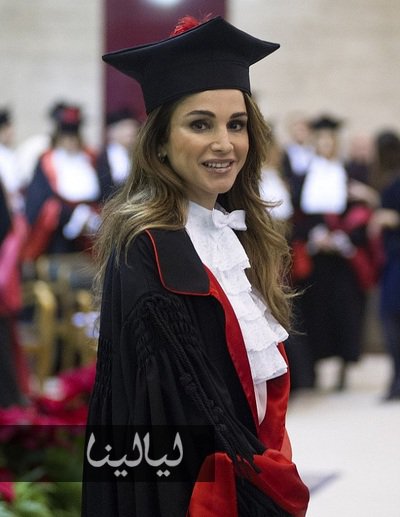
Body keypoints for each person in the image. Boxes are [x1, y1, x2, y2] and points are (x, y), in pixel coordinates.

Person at [82, 15, 309, 517]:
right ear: (160, 141)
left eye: (236, 124)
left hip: (254, 472)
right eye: (200, 124)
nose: (224, 143)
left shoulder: (237, 236)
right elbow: (150, 416)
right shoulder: (147, 249)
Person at [295, 115, 379, 390]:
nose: (325, 146)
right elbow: (300, 215)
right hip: (317, 259)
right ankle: (315, 369)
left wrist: (342, 238)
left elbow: (359, 214)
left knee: (345, 312)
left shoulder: (348, 175)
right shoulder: (304, 177)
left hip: (343, 259)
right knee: (316, 314)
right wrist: (316, 236)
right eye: (320, 142)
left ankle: (344, 366)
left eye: (329, 142)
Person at [22, 103, 101, 261]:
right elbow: (38, 201)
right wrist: (71, 216)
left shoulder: (91, 159)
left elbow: (103, 192)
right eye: (66, 137)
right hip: (57, 234)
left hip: (90, 232)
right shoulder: (47, 161)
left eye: (74, 137)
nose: (70, 141)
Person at [369, 130, 400, 401]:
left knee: (390, 318)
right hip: (391, 260)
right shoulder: (387, 181)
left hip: (395, 260)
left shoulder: (392, 183)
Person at [96, 107, 141, 201]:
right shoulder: (103, 157)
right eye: (124, 127)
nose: (130, 131)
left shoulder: (139, 155)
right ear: (112, 132)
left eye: (133, 128)